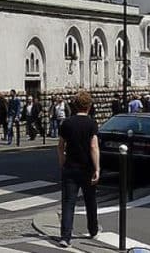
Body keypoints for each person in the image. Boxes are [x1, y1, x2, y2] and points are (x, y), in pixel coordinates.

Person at [57, 90, 100, 248]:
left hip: (70, 167)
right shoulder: (91, 123)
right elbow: (94, 147)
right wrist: (97, 168)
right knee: (90, 200)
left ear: (74, 106)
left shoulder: (66, 123)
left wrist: (62, 163)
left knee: (68, 202)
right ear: (89, 106)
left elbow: (60, 146)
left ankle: (65, 236)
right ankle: (93, 229)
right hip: (87, 167)